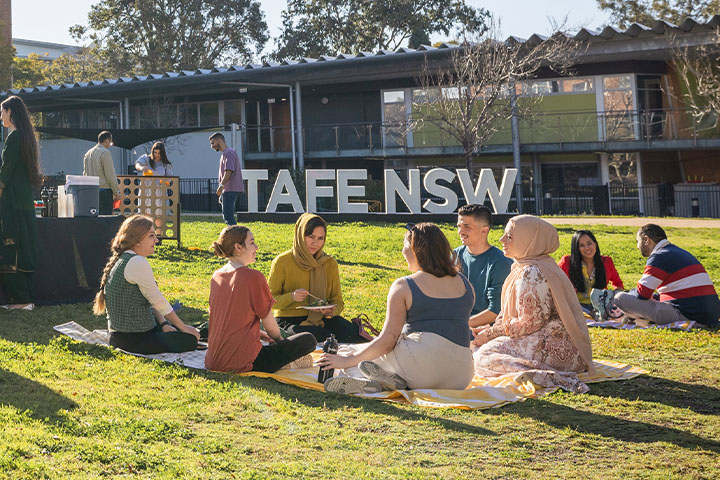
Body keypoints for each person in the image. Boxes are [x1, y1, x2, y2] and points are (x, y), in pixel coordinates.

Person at [318, 222, 475, 394]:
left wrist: (345, 362)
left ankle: (368, 381)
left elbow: (387, 342)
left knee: (348, 353)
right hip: (461, 375)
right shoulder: (465, 283)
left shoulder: (404, 286)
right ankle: (389, 380)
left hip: (421, 366)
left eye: (404, 246)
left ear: (415, 249)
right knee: (364, 356)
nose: (402, 251)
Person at [472, 215, 595, 394]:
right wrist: (490, 331)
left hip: (558, 348)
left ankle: (555, 377)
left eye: (510, 237)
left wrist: (491, 333)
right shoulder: (532, 265)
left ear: (528, 241)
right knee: (477, 348)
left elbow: (529, 323)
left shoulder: (532, 272)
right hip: (558, 345)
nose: (502, 240)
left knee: (484, 356)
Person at [205, 225, 317, 373]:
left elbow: (226, 317)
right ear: (238, 247)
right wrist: (280, 342)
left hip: (213, 361)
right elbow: (270, 326)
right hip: (244, 363)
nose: (256, 247)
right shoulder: (253, 277)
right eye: (252, 242)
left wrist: (257, 333)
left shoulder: (217, 276)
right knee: (308, 339)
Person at [93, 215, 200, 354]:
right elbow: (157, 300)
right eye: (151, 236)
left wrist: (164, 324)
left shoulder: (124, 258)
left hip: (121, 335)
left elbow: (152, 300)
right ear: (137, 240)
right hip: (134, 339)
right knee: (189, 340)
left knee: (187, 331)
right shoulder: (137, 262)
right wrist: (183, 328)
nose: (156, 240)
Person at [268, 213, 367, 343]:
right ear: (300, 235)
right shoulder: (282, 262)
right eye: (311, 237)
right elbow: (268, 302)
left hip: (322, 318)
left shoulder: (329, 263)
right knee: (318, 336)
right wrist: (291, 297)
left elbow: (338, 301)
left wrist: (330, 311)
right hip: (288, 320)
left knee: (354, 335)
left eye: (321, 238)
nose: (316, 243)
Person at [611, 224, 720, 327]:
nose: (637, 246)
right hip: (709, 315)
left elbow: (642, 293)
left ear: (646, 239)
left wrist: (629, 293)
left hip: (688, 315)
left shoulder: (659, 256)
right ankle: (641, 319)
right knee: (654, 297)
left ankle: (639, 319)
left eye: (637, 241)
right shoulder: (678, 252)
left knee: (620, 298)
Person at [0, 95, 42, 310]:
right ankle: (22, 299)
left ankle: (21, 301)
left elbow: (4, 173)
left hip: (12, 201)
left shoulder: (14, 137)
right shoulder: (26, 138)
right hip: (22, 198)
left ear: (10, 112)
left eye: (2, 112)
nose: (0, 117)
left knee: (11, 244)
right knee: (21, 244)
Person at [455, 204, 512, 327]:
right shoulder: (454, 255)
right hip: (455, 322)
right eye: (459, 226)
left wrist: (459, 325)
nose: (461, 231)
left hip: (483, 331)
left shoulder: (501, 263)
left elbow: (496, 311)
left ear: (484, 230)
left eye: (467, 227)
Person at [557, 230, 624, 313]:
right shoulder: (567, 262)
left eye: (589, 243)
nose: (587, 248)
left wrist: (612, 299)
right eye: (581, 245)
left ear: (595, 244)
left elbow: (618, 284)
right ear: (576, 249)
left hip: (600, 305)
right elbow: (555, 285)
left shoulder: (606, 261)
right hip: (575, 306)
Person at [209, 132, 244, 225]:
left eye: (213, 143)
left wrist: (221, 186)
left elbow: (229, 171)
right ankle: (234, 235)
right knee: (228, 215)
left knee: (228, 215)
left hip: (230, 189)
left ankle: (235, 236)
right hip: (228, 190)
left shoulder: (229, 153)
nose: (211, 146)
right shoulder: (225, 153)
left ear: (219, 141)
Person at [83, 130, 119, 215]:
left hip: (91, 190)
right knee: (105, 220)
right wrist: (116, 192)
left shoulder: (88, 153)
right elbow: (110, 174)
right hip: (104, 191)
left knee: (94, 219)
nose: (110, 144)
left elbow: (85, 173)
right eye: (110, 141)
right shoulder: (105, 152)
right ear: (106, 140)